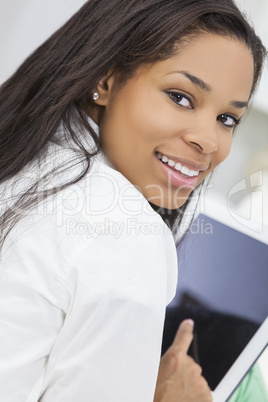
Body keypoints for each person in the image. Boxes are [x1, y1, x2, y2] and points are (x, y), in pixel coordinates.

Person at [0, 0, 266, 401]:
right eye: (181, 97)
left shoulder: (23, 158)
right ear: (106, 79)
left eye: (227, 119)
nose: (209, 140)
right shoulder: (127, 234)